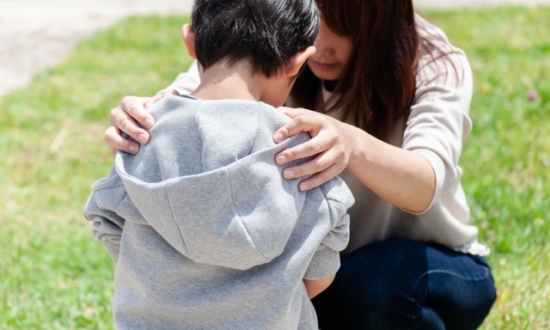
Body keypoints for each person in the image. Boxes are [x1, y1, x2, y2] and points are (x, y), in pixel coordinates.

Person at [104, 0, 498, 329]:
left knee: (373, 285)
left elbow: (426, 183)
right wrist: (141, 119)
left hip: (423, 265)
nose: (320, 47)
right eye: (313, 21)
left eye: (343, 27)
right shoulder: (275, 41)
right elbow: (203, 96)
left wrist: (352, 144)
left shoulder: (433, 62)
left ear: (378, 18)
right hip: (316, 269)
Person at [84, 0, 355, 329]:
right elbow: (321, 272)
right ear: (297, 62)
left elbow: (108, 222)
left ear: (190, 42)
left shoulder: (141, 133)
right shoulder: (304, 154)